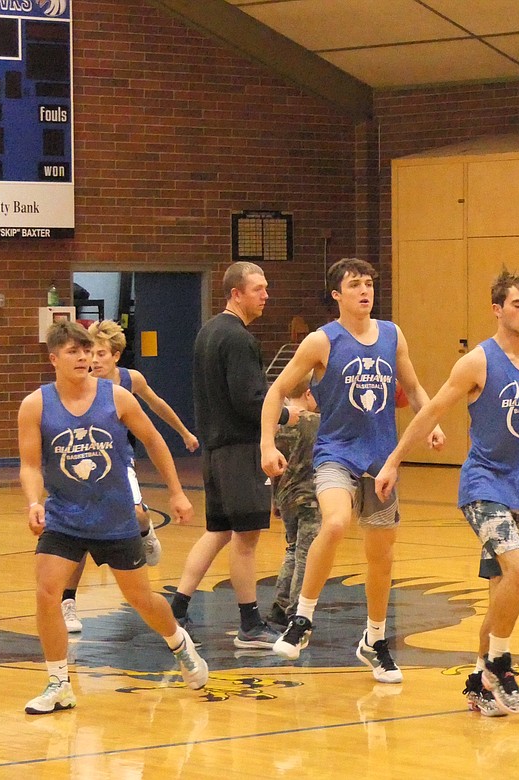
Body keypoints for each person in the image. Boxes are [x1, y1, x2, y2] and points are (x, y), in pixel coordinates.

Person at [374, 268, 519, 715]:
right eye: (518, 304)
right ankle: (501, 665)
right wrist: (394, 461)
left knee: (503, 590)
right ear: (498, 309)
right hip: (482, 485)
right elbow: (430, 411)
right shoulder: (478, 361)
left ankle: (478, 680)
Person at [262, 257, 444, 683]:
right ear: (337, 295)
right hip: (336, 454)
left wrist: (430, 422)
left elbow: (414, 387)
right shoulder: (321, 342)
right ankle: (302, 617)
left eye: (369, 284)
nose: (365, 291)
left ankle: (375, 641)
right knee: (337, 521)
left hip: (381, 461)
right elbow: (276, 391)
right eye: (355, 285)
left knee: (380, 557)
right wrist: (267, 443)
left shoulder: (392, 335)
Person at [18, 321, 207, 714]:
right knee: (47, 591)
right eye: (73, 351)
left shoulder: (117, 397)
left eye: (87, 351)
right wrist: (33, 500)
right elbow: (30, 465)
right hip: (64, 517)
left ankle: (178, 642)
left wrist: (175, 492)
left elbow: (154, 441)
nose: (84, 357)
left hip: (115, 518)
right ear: (54, 359)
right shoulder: (36, 404)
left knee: (140, 598)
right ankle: (58, 682)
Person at [171, 262, 295, 648]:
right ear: (235, 293)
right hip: (241, 452)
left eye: (266, 287)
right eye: (258, 288)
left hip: (214, 451)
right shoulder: (239, 339)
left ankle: (176, 607)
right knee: (246, 540)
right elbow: (249, 401)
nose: (266, 294)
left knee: (219, 531)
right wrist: (289, 414)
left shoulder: (208, 332)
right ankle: (249, 624)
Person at [56, 320, 200, 634]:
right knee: (76, 535)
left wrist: (184, 432)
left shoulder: (128, 381)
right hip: (79, 467)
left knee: (137, 515)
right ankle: (67, 603)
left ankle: (146, 532)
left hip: (118, 463)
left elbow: (157, 405)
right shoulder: (75, 381)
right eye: (89, 352)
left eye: (101, 353)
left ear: (116, 356)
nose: (93, 359)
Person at [268, 375, 322, 625]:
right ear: (309, 393)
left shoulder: (276, 425)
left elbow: (274, 467)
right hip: (310, 496)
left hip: (285, 494)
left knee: (292, 549)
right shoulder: (316, 422)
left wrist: (275, 501)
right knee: (306, 554)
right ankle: (296, 610)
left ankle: (280, 603)